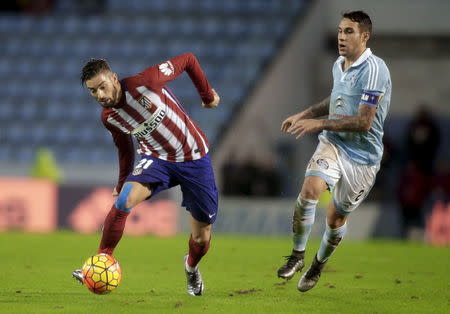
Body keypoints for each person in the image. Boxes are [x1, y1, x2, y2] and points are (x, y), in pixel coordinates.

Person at [72, 53, 220, 296]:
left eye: (102, 87)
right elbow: (125, 149)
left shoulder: (146, 82)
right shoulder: (109, 117)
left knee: (202, 238)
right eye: (93, 91)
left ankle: (191, 268)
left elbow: (189, 60)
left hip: (193, 157)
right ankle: (102, 259)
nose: (99, 95)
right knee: (123, 201)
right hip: (157, 160)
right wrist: (121, 183)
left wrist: (206, 95)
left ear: (114, 79)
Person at [277, 11, 391, 292]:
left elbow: (365, 122)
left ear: (365, 36)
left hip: (363, 158)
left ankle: (318, 264)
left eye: (349, 31)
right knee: (309, 190)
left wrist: (317, 123)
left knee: (336, 218)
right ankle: (297, 256)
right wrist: (304, 113)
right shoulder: (338, 64)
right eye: (340, 30)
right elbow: (335, 99)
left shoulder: (375, 69)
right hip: (334, 143)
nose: (341, 36)